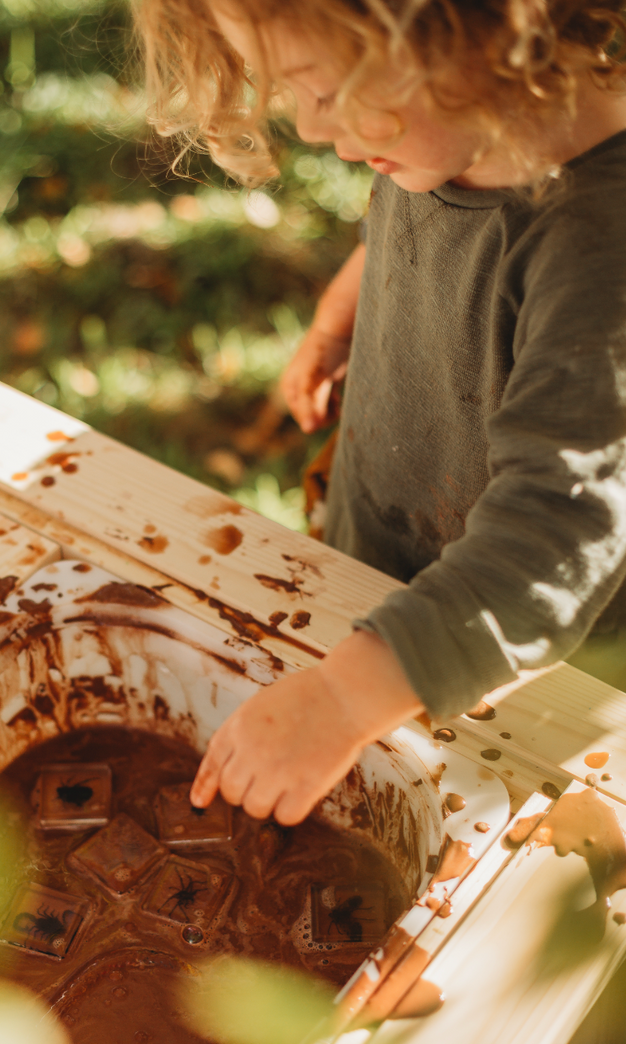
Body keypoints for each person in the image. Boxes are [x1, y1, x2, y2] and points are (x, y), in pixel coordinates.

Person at [132, 0, 626, 826]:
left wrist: (339, 701)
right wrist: (347, 308)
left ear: (478, 34)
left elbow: (554, 540)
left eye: (326, 89)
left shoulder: (604, 256)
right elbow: (422, 223)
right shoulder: (454, 133)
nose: (311, 126)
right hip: (389, 596)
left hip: (524, 672)